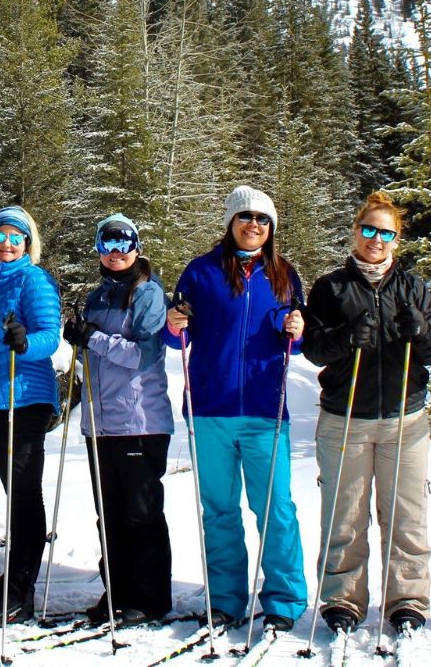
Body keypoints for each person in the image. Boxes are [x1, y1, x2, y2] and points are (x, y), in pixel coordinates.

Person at [302, 190, 431, 635]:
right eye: (369, 230)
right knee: (345, 514)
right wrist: (347, 336)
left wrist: (420, 331)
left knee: (405, 515)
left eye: (386, 233)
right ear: (355, 232)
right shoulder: (331, 287)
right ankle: (343, 598)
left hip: (404, 418)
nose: (376, 239)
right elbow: (312, 349)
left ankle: (407, 597)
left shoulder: (414, 286)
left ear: (397, 239)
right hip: (346, 417)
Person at [164, 186, 309, 631]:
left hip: (266, 409)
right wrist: (174, 326)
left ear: (272, 227)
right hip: (210, 408)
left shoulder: (284, 274)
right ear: (230, 222)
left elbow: (298, 341)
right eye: (245, 216)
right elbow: (176, 336)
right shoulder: (201, 272)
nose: (254, 225)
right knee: (220, 509)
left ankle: (284, 600)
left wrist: (297, 330)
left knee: (275, 508)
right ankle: (226, 599)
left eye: (263, 219)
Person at [62, 213, 173, 625]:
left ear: (137, 249)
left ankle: (151, 597)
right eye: (107, 245)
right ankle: (118, 593)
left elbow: (141, 356)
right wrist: (77, 336)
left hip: (140, 421)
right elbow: (97, 353)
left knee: (140, 513)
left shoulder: (147, 294)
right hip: (101, 422)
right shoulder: (95, 297)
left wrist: (93, 338)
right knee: (108, 514)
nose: (116, 253)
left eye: (123, 244)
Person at [0, 205, 61, 625]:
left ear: (28, 243)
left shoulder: (32, 278)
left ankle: (20, 588)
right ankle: (11, 581)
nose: (7, 243)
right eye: (0, 236)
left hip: (24, 399)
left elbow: (50, 334)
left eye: (15, 237)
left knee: (24, 495)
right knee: (15, 493)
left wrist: (25, 344)